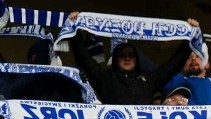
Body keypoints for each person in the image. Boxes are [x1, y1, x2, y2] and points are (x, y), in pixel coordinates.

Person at [66, 12, 195, 105]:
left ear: (137, 59)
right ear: (116, 59)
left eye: (131, 55)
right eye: (122, 55)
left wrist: (190, 37)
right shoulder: (105, 78)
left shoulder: (149, 80)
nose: (127, 58)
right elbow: (84, 59)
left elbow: (172, 65)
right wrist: (74, 31)